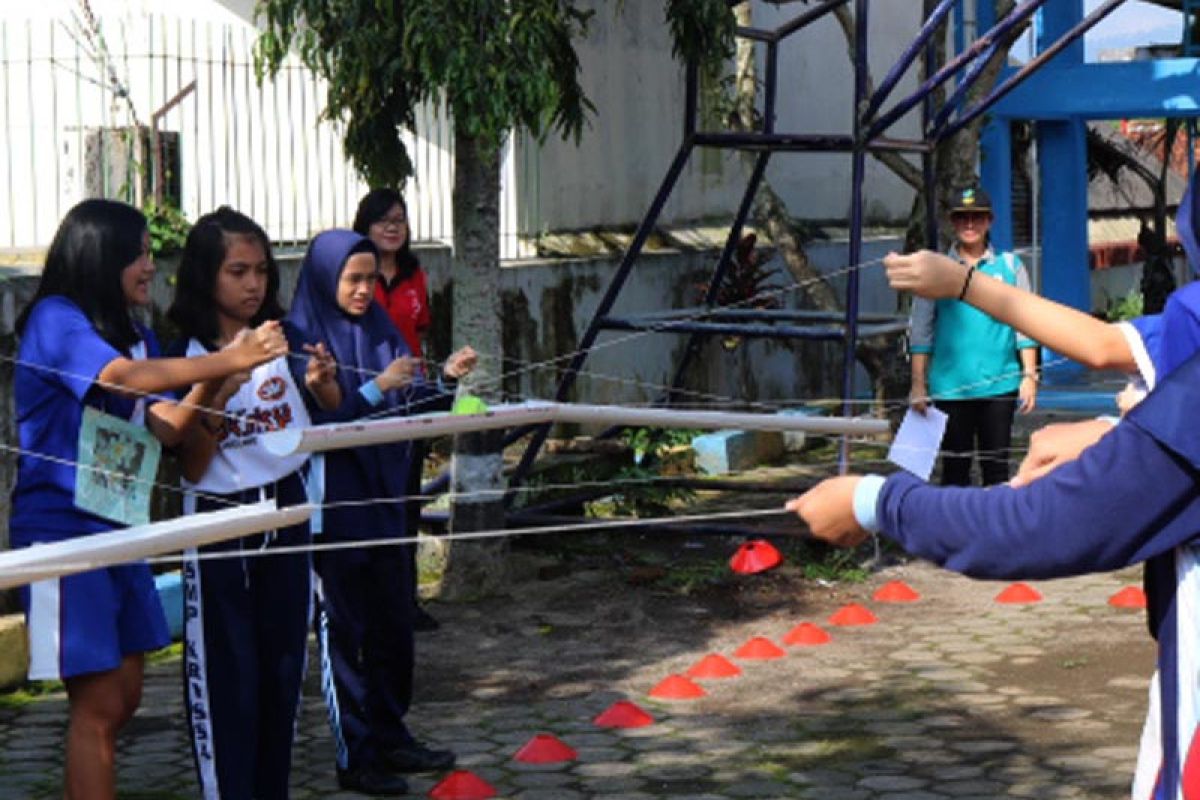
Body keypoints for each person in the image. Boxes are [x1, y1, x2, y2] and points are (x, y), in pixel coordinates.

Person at [790, 171, 1200, 798]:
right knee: (968, 475)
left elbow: (1043, 523)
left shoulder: (1012, 267)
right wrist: (1112, 428)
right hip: (955, 392)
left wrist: (874, 502)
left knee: (990, 481)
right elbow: (1100, 344)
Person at [11, 199, 287, 800]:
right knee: (100, 702)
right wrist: (230, 357)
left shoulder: (136, 333)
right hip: (64, 534)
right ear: (101, 256)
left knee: (126, 694)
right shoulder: (56, 319)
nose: (149, 268)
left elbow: (164, 426)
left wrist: (215, 381)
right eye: (139, 254)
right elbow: (118, 381)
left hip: (121, 524)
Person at [287, 229, 476, 796]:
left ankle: (392, 734)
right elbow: (316, 430)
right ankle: (356, 755)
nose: (366, 290)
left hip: (388, 502)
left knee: (395, 624)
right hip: (336, 510)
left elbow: (411, 400)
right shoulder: (300, 339)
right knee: (345, 631)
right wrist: (373, 392)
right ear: (326, 279)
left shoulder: (380, 329)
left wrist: (444, 378)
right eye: (354, 279)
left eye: (371, 278)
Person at [166, 207, 341, 800]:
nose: (253, 284)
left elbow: (301, 425)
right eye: (237, 271)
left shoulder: (278, 340)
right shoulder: (184, 352)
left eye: (261, 269)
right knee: (226, 677)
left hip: (287, 508)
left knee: (282, 670)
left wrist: (320, 386)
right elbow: (190, 462)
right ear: (205, 277)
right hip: (220, 515)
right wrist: (220, 383)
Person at [908, 184, 1039, 486]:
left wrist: (1029, 375)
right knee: (954, 472)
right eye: (962, 217)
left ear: (989, 221)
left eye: (977, 217)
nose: (970, 224)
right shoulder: (935, 269)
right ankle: (953, 534)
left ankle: (996, 533)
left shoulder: (1009, 266)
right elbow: (921, 329)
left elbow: (1025, 323)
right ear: (953, 223)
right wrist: (918, 384)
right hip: (950, 388)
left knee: (997, 472)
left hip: (999, 385)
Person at [352, 188, 439, 632]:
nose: (392, 227)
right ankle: (365, 602)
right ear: (364, 226)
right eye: (383, 219)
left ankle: (406, 601)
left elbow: (420, 336)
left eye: (400, 220)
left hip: (410, 405)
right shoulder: (354, 278)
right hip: (365, 405)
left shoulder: (415, 275)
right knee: (368, 502)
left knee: (407, 502)